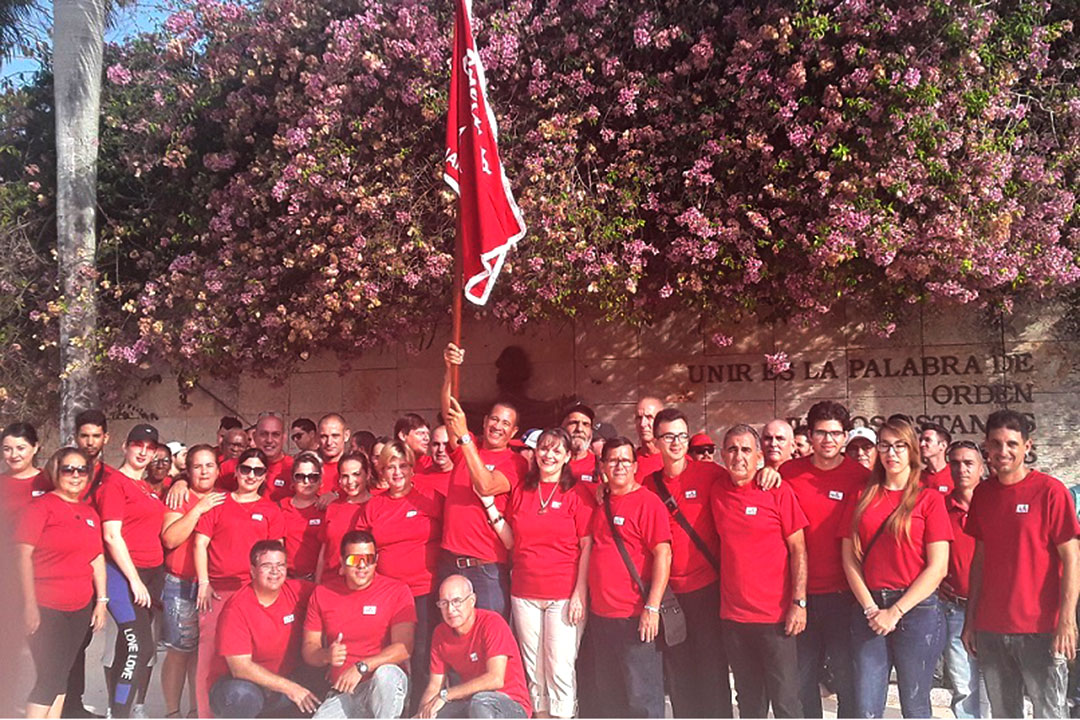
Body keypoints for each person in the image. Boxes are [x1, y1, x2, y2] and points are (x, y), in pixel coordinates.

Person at [961, 409, 1080, 718]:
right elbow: (980, 560)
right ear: (986, 446)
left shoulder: (1051, 492)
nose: (1004, 451)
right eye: (996, 444)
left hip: (1041, 629)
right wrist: (970, 620)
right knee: (1003, 714)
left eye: (1012, 444)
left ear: (1027, 446)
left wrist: (1066, 620)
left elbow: (1072, 557)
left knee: (1049, 712)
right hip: (991, 628)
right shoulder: (983, 494)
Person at [840, 417, 951, 718]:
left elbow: (938, 567)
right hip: (870, 608)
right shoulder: (861, 497)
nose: (892, 453)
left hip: (917, 612)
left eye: (900, 445)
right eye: (885, 445)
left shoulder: (929, 499)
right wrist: (870, 608)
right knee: (866, 708)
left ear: (912, 450)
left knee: (915, 706)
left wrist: (896, 611)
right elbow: (849, 558)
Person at [780, 400, 870, 718]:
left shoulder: (862, 477)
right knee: (802, 680)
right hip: (799, 596)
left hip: (845, 596)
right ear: (810, 434)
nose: (828, 440)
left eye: (835, 433)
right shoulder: (788, 473)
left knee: (847, 679)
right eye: (821, 433)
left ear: (845, 436)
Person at [713, 424, 808, 718]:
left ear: (758, 456)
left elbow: (799, 550)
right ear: (722, 455)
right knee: (749, 701)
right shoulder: (716, 490)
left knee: (786, 700)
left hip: (776, 618)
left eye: (745, 450)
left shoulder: (776, 489)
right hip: (734, 618)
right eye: (731, 449)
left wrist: (799, 603)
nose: (738, 456)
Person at [645, 409, 731, 717]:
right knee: (679, 673)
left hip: (707, 590)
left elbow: (743, 484)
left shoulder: (710, 474)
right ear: (656, 443)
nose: (676, 442)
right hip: (670, 596)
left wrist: (767, 470)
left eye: (682, 435)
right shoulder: (647, 485)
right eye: (668, 436)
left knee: (712, 670)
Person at [504, 428, 594, 719]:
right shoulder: (522, 490)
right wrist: (490, 508)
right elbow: (510, 539)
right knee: (534, 669)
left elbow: (587, 544)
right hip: (524, 592)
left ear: (568, 456)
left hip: (563, 594)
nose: (549, 455)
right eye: (544, 448)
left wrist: (580, 592)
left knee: (560, 668)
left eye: (557, 450)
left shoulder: (576, 493)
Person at [16, 447, 108, 719]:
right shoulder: (40, 508)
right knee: (48, 678)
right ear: (56, 471)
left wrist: (101, 601)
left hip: (79, 608)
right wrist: (29, 606)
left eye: (81, 469)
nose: (75, 475)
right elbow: (22, 556)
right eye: (68, 468)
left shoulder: (89, 513)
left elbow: (96, 558)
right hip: (46, 606)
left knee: (62, 675)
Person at [193, 447, 285, 717]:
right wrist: (203, 582)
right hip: (219, 593)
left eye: (258, 471)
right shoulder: (217, 503)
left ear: (265, 475)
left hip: (256, 595)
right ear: (236, 471)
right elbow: (200, 544)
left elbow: (277, 553)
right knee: (209, 660)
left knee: (254, 659)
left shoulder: (270, 509)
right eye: (246, 469)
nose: (251, 475)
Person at [439, 342, 528, 619]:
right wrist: (449, 370)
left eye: (505, 423)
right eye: (494, 419)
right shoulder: (469, 446)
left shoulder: (516, 462)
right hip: (450, 562)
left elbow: (487, 485)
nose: (497, 427)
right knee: (454, 640)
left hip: (486, 567)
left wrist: (466, 439)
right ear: (486, 420)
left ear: (514, 430)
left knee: (490, 638)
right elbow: (449, 413)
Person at [586, 437, 671, 718]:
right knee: (610, 697)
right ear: (603, 466)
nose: (619, 465)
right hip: (601, 618)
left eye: (625, 460)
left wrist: (652, 608)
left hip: (635, 617)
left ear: (635, 466)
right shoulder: (601, 502)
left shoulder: (648, 503)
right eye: (613, 460)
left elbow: (663, 555)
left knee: (642, 699)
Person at [359, 441, 443, 713]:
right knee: (390, 654)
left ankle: (421, 710)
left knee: (420, 654)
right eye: (390, 467)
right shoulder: (374, 506)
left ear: (412, 468)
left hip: (424, 591)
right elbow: (361, 545)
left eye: (403, 465)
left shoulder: (430, 498)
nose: (396, 472)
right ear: (381, 471)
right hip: (388, 595)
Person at [303, 530, 415, 719]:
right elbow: (308, 650)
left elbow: (404, 648)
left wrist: (361, 667)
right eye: (354, 560)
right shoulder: (322, 593)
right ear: (342, 561)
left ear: (376, 559)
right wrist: (326, 655)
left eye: (368, 559)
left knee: (385, 675)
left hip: (382, 689)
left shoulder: (397, 591)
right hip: (344, 692)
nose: (362, 566)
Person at [96, 423, 167, 718]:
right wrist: (134, 580)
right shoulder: (115, 483)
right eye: (138, 444)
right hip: (125, 575)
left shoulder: (148, 488)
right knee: (140, 649)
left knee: (131, 649)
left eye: (150, 448)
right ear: (125, 446)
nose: (143, 451)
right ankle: (120, 713)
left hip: (152, 573)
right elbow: (112, 535)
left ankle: (118, 709)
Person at [209, 541, 322, 718]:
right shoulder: (236, 609)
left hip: (285, 682)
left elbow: (332, 599)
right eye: (267, 566)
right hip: (241, 685)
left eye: (280, 565)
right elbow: (240, 668)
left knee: (322, 677)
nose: (275, 571)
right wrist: (291, 688)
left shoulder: (298, 591)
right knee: (241, 695)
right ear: (252, 570)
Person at [159, 444, 226, 719]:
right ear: (188, 470)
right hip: (181, 584)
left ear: (218, 470)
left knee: (202, 653)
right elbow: (170, 539)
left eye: (209, 465)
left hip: (212, 587)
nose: (204, 471)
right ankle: (173, 712)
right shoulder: (181, 497)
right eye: (197, 466)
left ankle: (195, 710)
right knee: (179, 651)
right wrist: (197, 509)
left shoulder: (224, 497)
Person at [417, 575, 532, 719]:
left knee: (481, 702)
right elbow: (434, 686)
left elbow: (495, 679)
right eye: (444, 603)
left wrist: (446, 695)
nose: (450, 609)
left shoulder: (492, 623)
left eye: (456, 601)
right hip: (471, 702)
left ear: (472, 601)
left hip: (509, 704)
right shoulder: (440, 633)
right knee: (434, 713)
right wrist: (422, 713)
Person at [66, 409, 114, 717]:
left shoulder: (110, 476)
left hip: (97, 566)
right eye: (84, 435)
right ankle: (60, 703)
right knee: (65, 643)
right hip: (66, 566)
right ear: (76, 437)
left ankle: (73, 703)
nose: (90, 441)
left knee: (81, 641)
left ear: (105, 438)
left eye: (96, 435)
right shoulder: (64, 468)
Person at [941, 441, 989, 718]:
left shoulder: (995, 503)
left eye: (968, 463)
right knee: (963, 684)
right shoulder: (940, 507)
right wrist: (935, 583)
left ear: (982, 467)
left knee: (995, 682)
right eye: (955, 463)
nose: (961, 469)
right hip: (955, 608)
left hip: (994, 609)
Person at [315, 451, 374, 582]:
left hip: (362, 583)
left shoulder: (376, 506)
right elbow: (324, 552)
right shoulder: (333, 507)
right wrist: (317, 584)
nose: (350, 481)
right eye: (345, 476)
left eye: (356, 474)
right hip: (330, 580)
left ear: (367, 474)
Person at [280, 452, 326, 580]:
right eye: (300, 476)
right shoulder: (280, 507)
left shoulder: (327, 509)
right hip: (286, 579)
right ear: (292, 480)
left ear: (320, 480)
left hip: (317, 578)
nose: (307, 481)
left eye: (313, 477)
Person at [1, 422, 50, 515]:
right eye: (7, 449)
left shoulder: (49, 481)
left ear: (35, 447)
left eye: (20, 448)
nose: (14, 455)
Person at [561, 404, 598, 483]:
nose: (579, 429)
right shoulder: (549, 463)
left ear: (591, 431)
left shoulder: (601, 466)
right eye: (573, 423)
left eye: (585, 424)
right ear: (562, 427)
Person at [415, 425, 453, 497]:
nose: (441, 449)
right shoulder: (416, 481)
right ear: (429, 447)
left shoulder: (466, 478)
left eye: (446, 445)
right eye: (436, 444)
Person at [318, 413, 351, 494]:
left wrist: (338, 497)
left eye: (335, 436)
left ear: (346, 435)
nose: (329, 442)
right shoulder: (307, 467)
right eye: (324, 436)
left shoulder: (357, 468)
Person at [633, 397, 664, 479]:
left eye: (649, 417)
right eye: (639, 418)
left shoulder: (677, 461)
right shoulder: (628, 464)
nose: (643, 424)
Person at [920, 422, 953, 494]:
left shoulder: (955, 474)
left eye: (928, 440)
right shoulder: (917, 478)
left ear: (943, 445)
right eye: (921, 440)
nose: (921, 444)